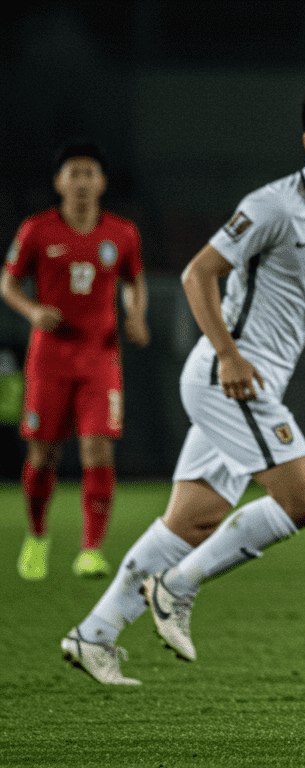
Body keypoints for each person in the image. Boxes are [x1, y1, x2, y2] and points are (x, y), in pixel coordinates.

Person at [61, 80, 305, 684]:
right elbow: (198, 274)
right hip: (229, 380)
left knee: (192, 521)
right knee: (303, 500)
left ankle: (95, 633)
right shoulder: (272, 206)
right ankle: (179, 586)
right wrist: (229, 354)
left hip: (256, 385)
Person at [3, 141, 150, 581]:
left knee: (97, 449)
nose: (82, 181)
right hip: (48, 359)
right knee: (43, 455)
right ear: (59, 182)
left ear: (102, 182)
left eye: (90, 173)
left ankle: (91, 550)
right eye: (74, 173)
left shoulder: (123, 233)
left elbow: (134, 280)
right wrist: (33, 312)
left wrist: (135, 315)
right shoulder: (37, 230)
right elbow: (8, 284)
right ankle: (37, 536)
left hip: (100, 359)